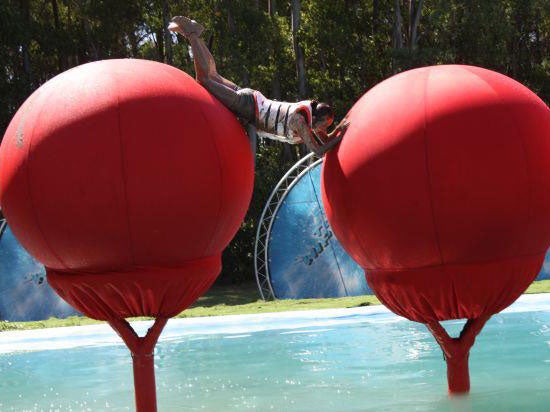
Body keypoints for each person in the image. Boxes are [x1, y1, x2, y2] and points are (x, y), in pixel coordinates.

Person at [168, 16, 349, 157]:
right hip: (249, 106)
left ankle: (194, 33)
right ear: (316, 118)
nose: (322, 130)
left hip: (252, 99)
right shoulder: (300, 121)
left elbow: (327, 139)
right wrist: (341, 135)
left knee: (213, 75)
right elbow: (319, 151)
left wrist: (342, 127)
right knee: (205, 81)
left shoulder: (309, 117)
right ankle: (192, 34)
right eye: (323, 125)